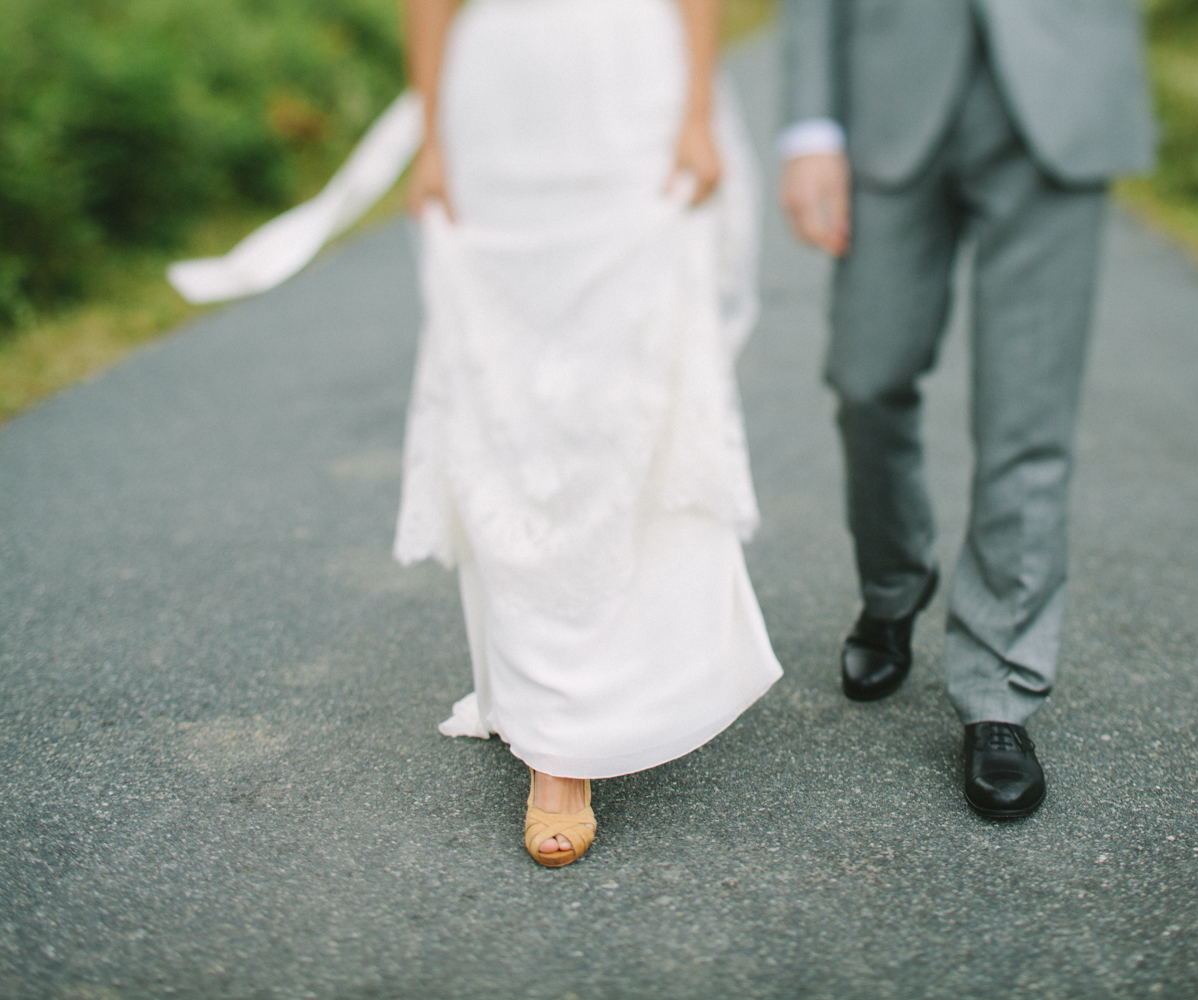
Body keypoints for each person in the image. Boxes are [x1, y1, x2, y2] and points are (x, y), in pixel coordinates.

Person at [397, 0, 782, 866]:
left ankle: (644, 684)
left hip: (632, 105)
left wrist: (694, 115)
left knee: (626, 388)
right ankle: (554, 742)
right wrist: (432, 133)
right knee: (516, 406)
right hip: (500, 109)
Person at [779, 0, 1156, 818]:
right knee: (865, 377)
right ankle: (894, 583)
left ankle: (1001, 689)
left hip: (1062, 90)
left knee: (1029, 413)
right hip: (889, 93)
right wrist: (810, 126)